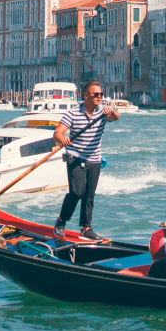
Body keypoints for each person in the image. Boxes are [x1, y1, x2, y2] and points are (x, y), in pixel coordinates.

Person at [52, 80, 120, 241]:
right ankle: (61, 221)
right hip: (75, 157)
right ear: (86, 96)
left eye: (101, 95)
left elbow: (115, 117)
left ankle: (86, 228)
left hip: (94, 159)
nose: (99, 97)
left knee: (89, 195)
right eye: (96, 94)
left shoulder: (102, 112)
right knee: (77, 192)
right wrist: (63, 139)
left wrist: (112, 111)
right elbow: (57, 133)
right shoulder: (73, 113)